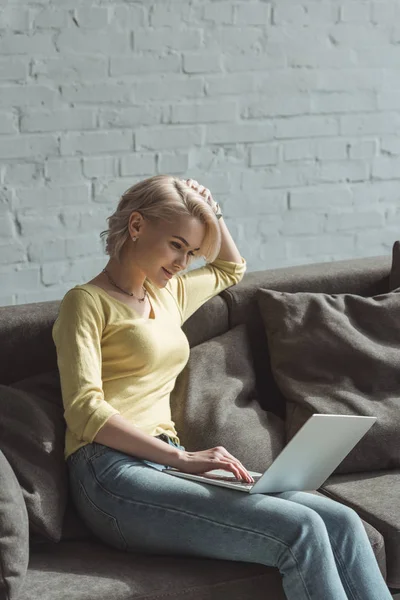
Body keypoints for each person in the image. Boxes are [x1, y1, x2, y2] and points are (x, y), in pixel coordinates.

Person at [52, 174, 391, 600]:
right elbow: (84, 410)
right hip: (110, 473)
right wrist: (183, 457)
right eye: (176, 245)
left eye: (191, 252)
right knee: (299, 529)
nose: (182, 263)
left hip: (165, 468)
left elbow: (231, 268)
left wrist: (212, 211)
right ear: (136, 226)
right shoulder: (84, 303)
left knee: (340, 520)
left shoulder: (167, 294)